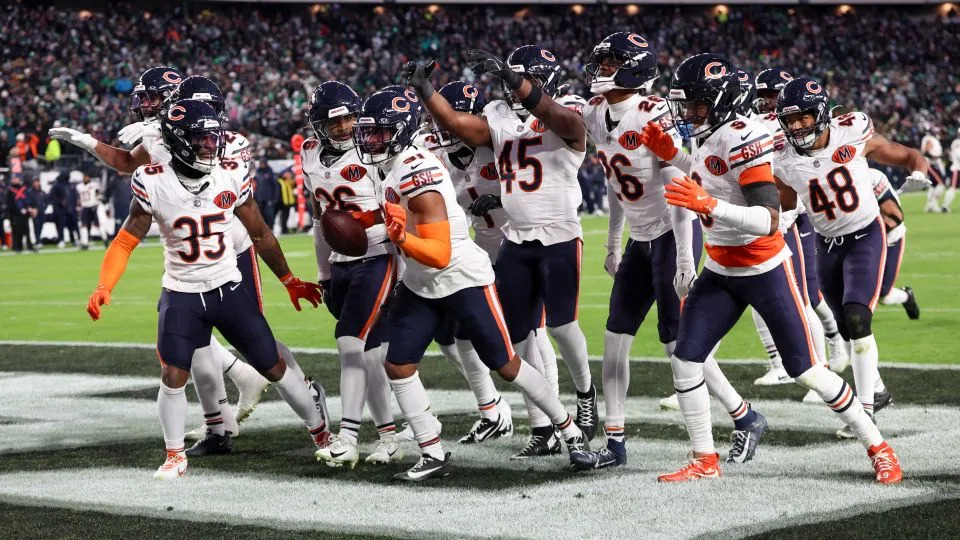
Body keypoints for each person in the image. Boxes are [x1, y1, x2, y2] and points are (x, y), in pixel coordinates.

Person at [642, 55, 901, 484]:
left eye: (696, 105)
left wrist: (708, 205)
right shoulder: (712, 136)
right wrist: (675, 157)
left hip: (763, 269)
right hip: (721, 268)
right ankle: (705, 459)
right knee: (685, 360)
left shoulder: (742, 138)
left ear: (720, 101)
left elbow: (768, 218)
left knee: (808, 372)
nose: (688, 113)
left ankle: (879, 447)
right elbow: (711, 176)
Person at [353, 86, 586, 480]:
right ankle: (432, 451)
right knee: (398, 363)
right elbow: (401, 223)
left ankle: (569, 431)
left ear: (402, 130)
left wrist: (400, 238)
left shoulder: (416, 171)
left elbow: (439, 252)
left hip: (460, 276)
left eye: (380, 132)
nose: (371, 141)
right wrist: (367, 224)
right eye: (368, 133)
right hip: (421, 280)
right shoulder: (390, 165)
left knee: (508, 365)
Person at [85, 99, 327, 479]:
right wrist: (105, 285)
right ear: (179, 141)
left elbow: (260, 233)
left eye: (213, 138)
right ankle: (174, 455)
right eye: (201, 140)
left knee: (274, 366)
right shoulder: (152, 179)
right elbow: (125, 240)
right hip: (181, 293)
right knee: (173, 375)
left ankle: (322, 433)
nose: (211, 146)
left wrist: (289, 279)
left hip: (228, 287)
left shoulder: (229, 173)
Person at [570, 33, 764, 469]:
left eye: (611, 62)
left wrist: (683, 258)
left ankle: (744, 415)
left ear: (633, 69)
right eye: (602, 62)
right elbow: (616, 184)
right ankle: (615, 443)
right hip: (640, 239)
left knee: (679, 345)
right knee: (615, 337)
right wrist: (614, 241)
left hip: (673, 234)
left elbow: (680, 186)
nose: (602, 69)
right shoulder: (596, 112)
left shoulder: (653, 113)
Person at [403, 46, 599, 459]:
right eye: (511, 82)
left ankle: (585, 393)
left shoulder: (569, 105)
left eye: (526, 80)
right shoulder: (497, 115)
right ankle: (545, 425)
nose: (513, 90)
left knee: (561, 328)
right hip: (516, 239)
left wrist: (515, 80)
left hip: (559, 232)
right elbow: (457, 124)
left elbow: (565, 123)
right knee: (519, 338)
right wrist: (424, 88)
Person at [774, 78, 929, 438]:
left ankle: (865, 412)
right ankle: (878, 389)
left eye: (804, 116)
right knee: (846, 327)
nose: (797, 126)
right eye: (790, 120)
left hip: (865, 236)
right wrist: (775, 225)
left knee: (858, 318)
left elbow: (908, 155)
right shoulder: (783, 160)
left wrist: (919, 173)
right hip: (826, 245)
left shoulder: (852, 132)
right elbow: (786, 206)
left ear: (821, 113)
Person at [301, 81, 401, 468]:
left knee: (348, 341)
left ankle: (347, 437)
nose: (345, 128)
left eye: (349, 119)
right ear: (318, 125)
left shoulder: (372, 149)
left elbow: (396, 211)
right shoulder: (310, 154)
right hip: (341, 263)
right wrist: (323, 273)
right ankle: (391, 436)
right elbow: (320, 219)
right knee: (371, 355)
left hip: (378, 255)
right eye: (335, 122)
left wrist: (406, 268)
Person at [751, 67, 848, 380]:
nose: (767, 102)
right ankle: (780, 363)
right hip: (768, 213)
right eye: (763, 96)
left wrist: (784, 216)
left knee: (806, 294)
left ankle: (828, 352)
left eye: (773, 95)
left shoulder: (798, 128)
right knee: (762, 291)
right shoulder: (756, 124)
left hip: (793, 215)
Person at [5, 175, 34, 253]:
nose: (15, 180)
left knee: (27, 230)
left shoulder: (23, 189)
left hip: (25, 214)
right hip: (15, 214)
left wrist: (28, 207)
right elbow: (9, 204)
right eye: (14, 179)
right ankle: (17, 247)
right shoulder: (9, 190)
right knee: (16, 231)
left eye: (16, 179)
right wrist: (19, 211)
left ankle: (29, 246)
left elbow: (27, 200)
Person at [76, 173, 102, 249]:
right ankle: (85, 242)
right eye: (85, 177)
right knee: (84, 225)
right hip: (85, 207)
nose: (85, 178)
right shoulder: (79, 186)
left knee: (97, 224)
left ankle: (105, 238)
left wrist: (98, 202)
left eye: (87, 177)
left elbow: (98, 194)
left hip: (93, 206)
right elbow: (78, 198)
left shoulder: (93, 185)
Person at [253, 159, 279, 229]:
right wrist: (256, 197)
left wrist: (275, 198)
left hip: (268, 199)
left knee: (270, 216)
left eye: (263, 163)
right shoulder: (257, 173)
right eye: (260, 163)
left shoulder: (270, 173)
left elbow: (275, 186)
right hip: (259, 200)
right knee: (261, 217)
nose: (261, 165)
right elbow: (255, 187)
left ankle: (271, 229)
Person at [28, 178, 47, 247]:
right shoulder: (30, 192)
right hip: (34, 212)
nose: (36, 183)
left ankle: (38, 240)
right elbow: (28, 201)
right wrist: (32, 209)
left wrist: (44, 208)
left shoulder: (42, 192)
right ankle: (38, 241)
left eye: (37, 182)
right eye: (35, 182)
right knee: (36, 226)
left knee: (40, 226)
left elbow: (46, 201)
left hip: (42, 211)